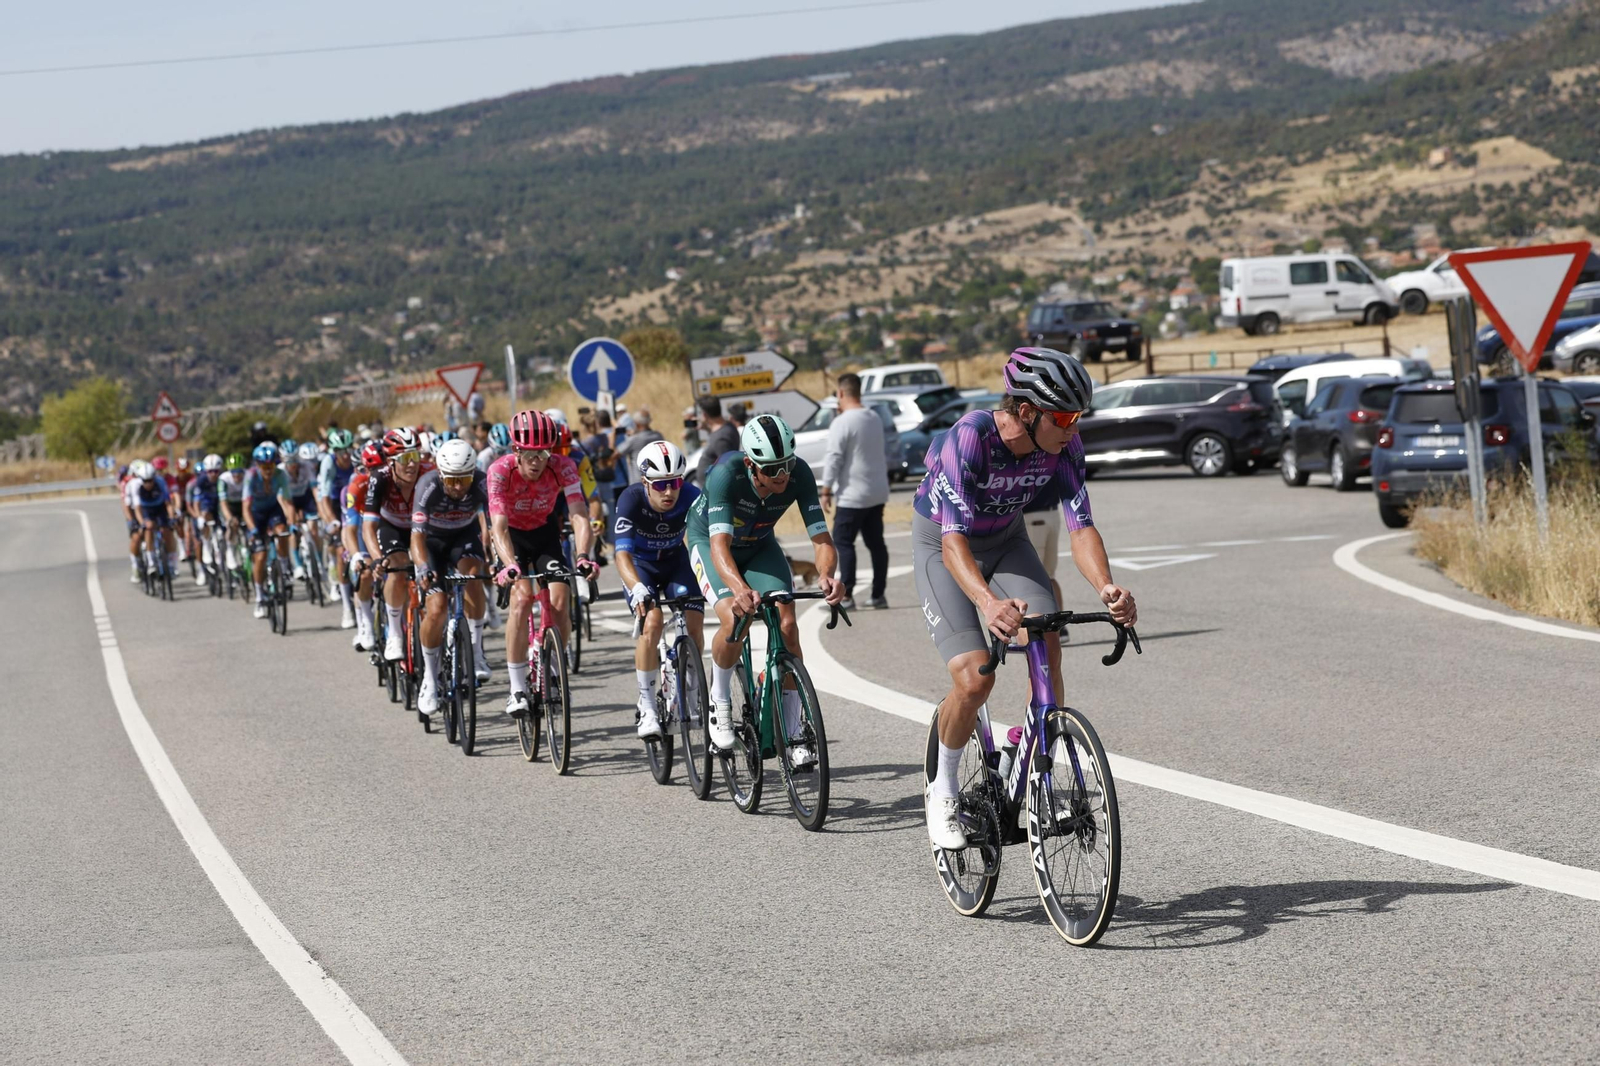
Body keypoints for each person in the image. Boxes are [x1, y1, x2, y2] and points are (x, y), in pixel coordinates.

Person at [911, 348, 1137, 851]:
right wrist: (989, 603)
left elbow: (1081, 529)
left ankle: (1034, 767)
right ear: (1028, 412)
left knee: (1046, 638)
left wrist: (1107, 586)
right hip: (944, 544)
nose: (1074, 429)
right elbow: (952, 544)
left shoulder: (1064, 448)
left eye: (1080, 416)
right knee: (973, 677)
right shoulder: (971, 437)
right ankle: (943, 791)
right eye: (1065, 417)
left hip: (1006, 539)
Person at [685, 415, 844, 767]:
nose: (783, 475)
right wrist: (740, 589)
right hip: (710, 544)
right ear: (750, 465)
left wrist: (827, 575)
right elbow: (719, 547)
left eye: (787, 464)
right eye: (772, 470)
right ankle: (719, 700)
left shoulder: (799, 474)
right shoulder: (727, 475)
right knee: (734, 615)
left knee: (787, 624)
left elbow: (821, 539)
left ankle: (794, 729)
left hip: (759, 545)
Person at [487, 410, 600, 720]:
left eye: (544, 453)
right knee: (522, 599)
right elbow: (497, 527)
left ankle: (553, 666)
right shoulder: (499, 471)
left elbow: (578, 513)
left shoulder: (564, 466)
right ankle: (517, 688)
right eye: (530, 454)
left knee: (561, 600)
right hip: (512, 537)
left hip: (544, 534)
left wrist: (582, 555)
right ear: (516, 451)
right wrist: (508, 564)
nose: (537, 460)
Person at [612, 441, 703, 739]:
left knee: (694, 621)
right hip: (642, 567)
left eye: (675, 482)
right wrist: (636, 587)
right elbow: (621, 555)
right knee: (652, 622)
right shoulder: (630, 499)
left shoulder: (692, 496)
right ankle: (648, 706)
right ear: (645, 483)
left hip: (676, 561)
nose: (669, 492)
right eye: (661, 484)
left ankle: (691, 688)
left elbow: (710, 539)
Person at [410, 439, 494, 714]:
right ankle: (430, 681)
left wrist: (500, 561)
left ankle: (477, 652)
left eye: (464, 480)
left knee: (474, 576)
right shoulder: (428, 484)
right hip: (431, 542)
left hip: (463, 537)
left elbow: (497, 524)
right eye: (453, 480)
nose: (459, 487)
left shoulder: (482, 482)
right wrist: (422, 567)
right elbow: (417, 536)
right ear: (442, 475)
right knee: (436, 610)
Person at [819, 373, 891, 611]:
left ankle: (846, 595)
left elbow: (834, 458)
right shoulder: (874, 417)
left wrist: (826, 489)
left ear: (840, 393)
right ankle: (878, 594)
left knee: (842, 542)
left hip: (852, 494)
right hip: (876, 491)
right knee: (875, 543)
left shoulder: (842, 421)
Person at [362, 428, 425, 661]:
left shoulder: (429, 473)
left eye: (415, 456)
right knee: (397, 568)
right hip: (392, 528)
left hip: (421, 528)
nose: (412, 464)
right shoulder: (380, 478)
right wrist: (378, 558)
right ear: (390, 462)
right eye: (404, 458)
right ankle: (395, 634)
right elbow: (368, 526)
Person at [242, 442, 297, 619]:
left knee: (282, 531)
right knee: (260, 555)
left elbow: (288, 502)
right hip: (256, 514)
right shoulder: (251, 477)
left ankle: (283, 566)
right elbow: (246, 507)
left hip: (273, 509)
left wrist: (292, 522)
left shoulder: (280, 475)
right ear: (257, 465)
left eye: (271, 465)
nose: (268, 470)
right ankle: (259, 596)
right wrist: (252, 530)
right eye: (264, 466)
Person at [341, 442, 386, 651]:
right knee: (365, 573)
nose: (374, 474)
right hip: (361, 530)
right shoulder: (355, 487)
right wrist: (356, 555)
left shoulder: (393, 481)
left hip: (386, 528)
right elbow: (349, 530)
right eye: (368, 469)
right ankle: (366, 623)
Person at [316, 429, 359, 628]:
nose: (345, 454)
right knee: (342, 550)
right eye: (340, 451)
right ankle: (346, 608)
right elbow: (323, 497)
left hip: (352, 501)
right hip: (333, 503)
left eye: (348, 449)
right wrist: (331, 521)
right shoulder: (328, 463)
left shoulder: (356, 458)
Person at [186, 454, 224, 585]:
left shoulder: (223, 479)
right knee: (200, 536)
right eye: (210, 472)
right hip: (205, 505)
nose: (213, 474)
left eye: (216, 471)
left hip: (219, 504)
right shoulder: (200, 481)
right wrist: (199, 517)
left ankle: (221, 552)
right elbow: (195, 502)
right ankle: (205, 551)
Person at [692, 396, 739, 487]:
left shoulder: (721, 438)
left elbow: (727, 468)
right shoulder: (726, 428)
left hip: (715, 490)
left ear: (705, 415)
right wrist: (707, 429)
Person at [612, 407, 664, 488]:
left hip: (639, 482)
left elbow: (615, 454)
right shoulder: (658, 436)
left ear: (637, 424)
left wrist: (612, 437)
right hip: (657, 479)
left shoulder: (634, 440)